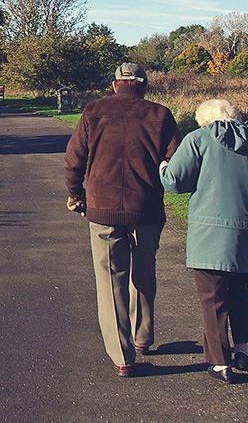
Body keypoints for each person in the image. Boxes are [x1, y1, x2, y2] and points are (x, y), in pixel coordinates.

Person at [159, 99, 248, 384]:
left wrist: (163, 166)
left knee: (213, 297)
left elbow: (174, 181)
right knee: (239, 290)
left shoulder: (198, 140)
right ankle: (243, 350)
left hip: (208, 237)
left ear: (204, 121)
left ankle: (220, 362)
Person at [64, 62, 180, 377]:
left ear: (115, 85)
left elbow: (74, 158)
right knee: (144, 272)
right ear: (144, 86)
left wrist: (76, 195)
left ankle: (123, 356)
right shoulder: (161, 115)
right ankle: (143, 337)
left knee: (111, 281)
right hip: (147, 209)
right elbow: (175, 161)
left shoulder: (93, 111)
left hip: (103, 209)